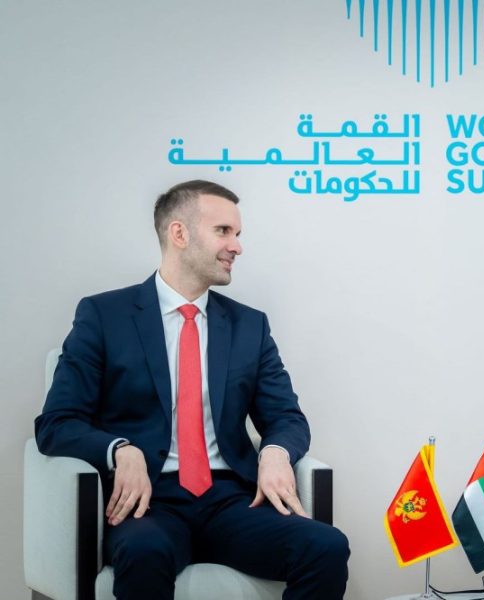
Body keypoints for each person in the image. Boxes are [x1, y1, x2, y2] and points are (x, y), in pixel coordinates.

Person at [35, 180, 349, 600]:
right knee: (144, 552)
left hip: (233, 501)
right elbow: (57, 424)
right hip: (148, 501)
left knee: (326, 546)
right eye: (224, 231)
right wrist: (120, 449)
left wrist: (275, 452)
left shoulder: (249, 326)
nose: (237, 246)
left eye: (238, 233)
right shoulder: (104, 316)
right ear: (179, 233)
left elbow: (286, 418)